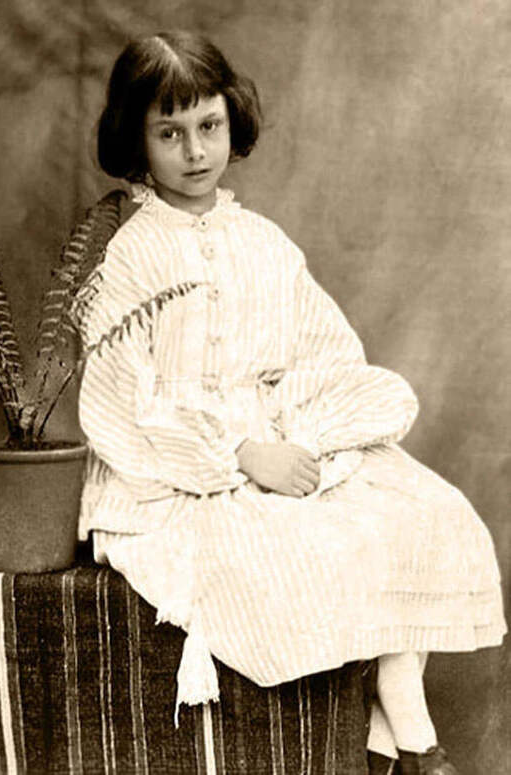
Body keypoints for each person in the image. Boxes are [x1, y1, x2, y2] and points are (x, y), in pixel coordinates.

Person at [75, 30, 506, 775]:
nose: (195, 151)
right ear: (136, 139)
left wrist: (297, 440)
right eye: (169, 133)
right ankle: (413, 743)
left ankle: (394, 726)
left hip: (277, 446)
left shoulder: (264, 244)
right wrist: (240, 454)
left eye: (208, 125)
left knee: (421, 512)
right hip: (170, 477)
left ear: (231, 120)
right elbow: (121, 406)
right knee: (305, 552)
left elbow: (325, 356)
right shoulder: (130, 255)